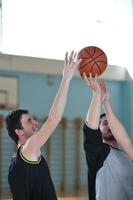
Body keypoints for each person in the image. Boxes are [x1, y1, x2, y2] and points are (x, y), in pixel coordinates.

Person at [5, 51, 80, 200]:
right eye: (29, 121)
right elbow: (54, 119)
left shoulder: (16, 159)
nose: (35, 122)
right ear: (19, 131)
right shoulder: (28, 150)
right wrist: (66, 79)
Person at [82, 73, 133, 200]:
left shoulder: (128, 153)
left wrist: (105, 102)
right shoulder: (99, 153)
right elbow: (90, 129)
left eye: (112, 123)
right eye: (104, 123)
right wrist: (97, 96)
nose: (109, 125)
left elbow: (124, 139)